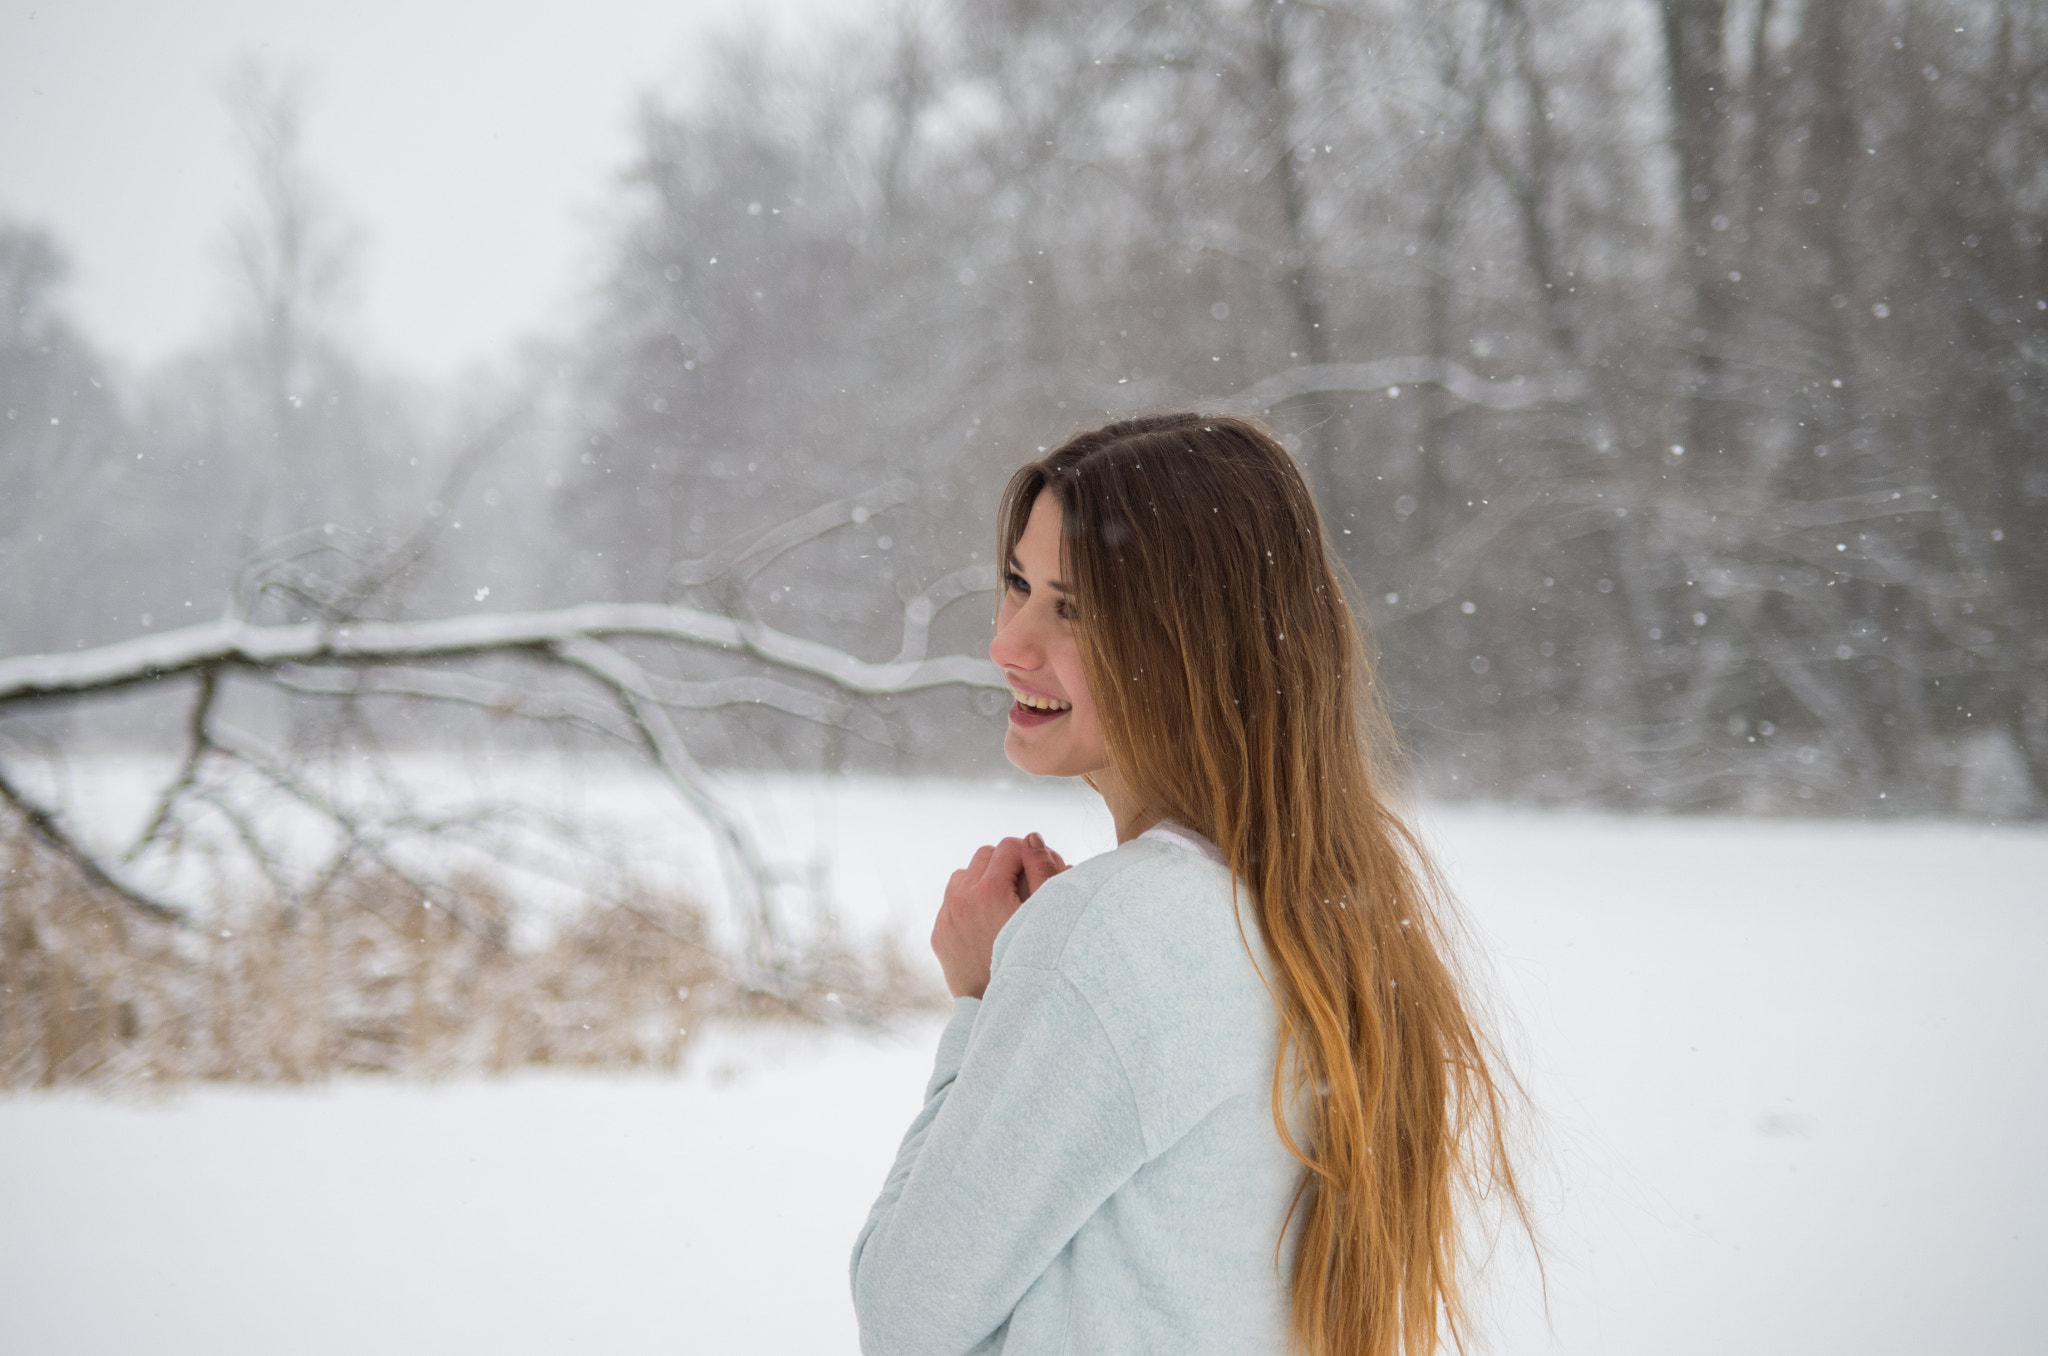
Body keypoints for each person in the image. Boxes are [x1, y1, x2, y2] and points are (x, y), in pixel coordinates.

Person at [850, 413, 1529, 1356]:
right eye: (1016, 584)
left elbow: (904, 1313)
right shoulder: (1328, 915)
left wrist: (981, 1005)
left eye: (1074, 609)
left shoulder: (1114, 932)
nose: (1011, 641)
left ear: (1188, 641)